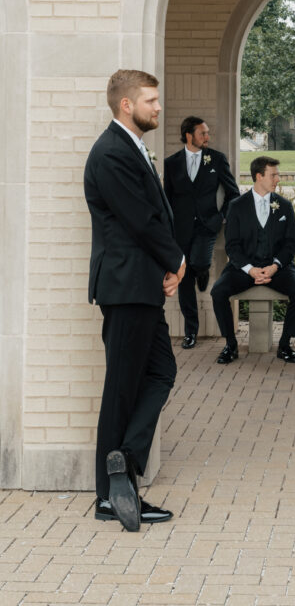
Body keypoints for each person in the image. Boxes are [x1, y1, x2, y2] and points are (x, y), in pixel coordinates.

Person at [84, 69, 185, 531]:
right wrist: (177, 261)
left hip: (141, 285)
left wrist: (166, 266)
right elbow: (141, 220)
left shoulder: (129, 147)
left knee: (162, 371)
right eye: (151, 100)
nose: (158, 107)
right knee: (122, 389)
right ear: (127, 105)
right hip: (126, 287)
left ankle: (123, 465)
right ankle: (110, 495)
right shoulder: (111, 153)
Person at [210, 156, 295, 363]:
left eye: (277, 175)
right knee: (218, 292)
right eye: (274, 175)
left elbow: (290, 244)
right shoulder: (237, 206)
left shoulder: (284, 206)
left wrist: (274, 266)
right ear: (258, 176)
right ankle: (230, 345)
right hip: (243, 268)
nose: (278, 179)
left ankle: (285, 345)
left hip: (277, 268)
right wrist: (250, 269)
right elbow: (232, 245)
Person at [163, 116, 239, 348]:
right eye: (202, 133)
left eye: (207, 133)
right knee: (184, 280)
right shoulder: (171, 163)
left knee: (198, 261)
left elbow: (233, 192)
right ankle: (191, 331)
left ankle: (202, 269)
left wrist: (221, 216)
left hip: (208, 225)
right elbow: (167, 198)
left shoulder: (216, 159)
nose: (207, 137)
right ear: (189, 135)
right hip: (181, 230)